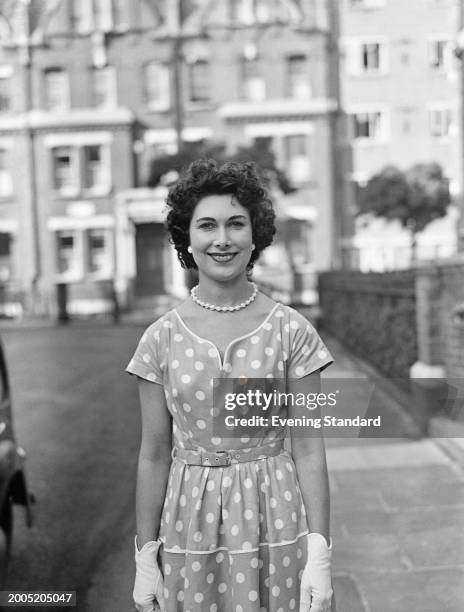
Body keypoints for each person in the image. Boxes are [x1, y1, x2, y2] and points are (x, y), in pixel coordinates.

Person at [126, 159, 335, 612]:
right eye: (207, 225)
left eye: (236, 223)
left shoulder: (291, 331)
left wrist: (320, 549)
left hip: (276, 515)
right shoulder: (159, 338)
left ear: (255, 233)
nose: (222, 239)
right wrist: (145, 553)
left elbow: (309, 447)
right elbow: (154, 453)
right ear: (188, 237)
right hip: (188, 520)